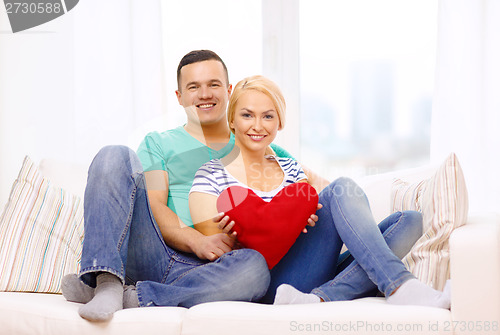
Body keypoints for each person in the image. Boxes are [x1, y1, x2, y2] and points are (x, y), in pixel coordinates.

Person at [61, 50, 319, 322]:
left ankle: (137, 296)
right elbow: (155, 205)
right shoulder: (159, 143)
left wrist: (310, 209)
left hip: (214, 268)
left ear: (229, 90)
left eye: (214, 85)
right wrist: (197, 241)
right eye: (194, 87)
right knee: (113, 154)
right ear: (180, 97)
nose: (205, 94)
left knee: (254, 270)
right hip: (156, 250)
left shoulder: (259, 141)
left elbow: (304, 192)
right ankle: (107, 281)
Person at [188, 75, 451, 308]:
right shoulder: (210, 175)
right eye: (247, 115)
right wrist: (243, 233)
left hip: (314, 267)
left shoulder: (291, 168)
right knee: (339, 189)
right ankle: (400, 285)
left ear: (279, 122)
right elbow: (217, 253)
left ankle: (321, 298)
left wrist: (307, 215)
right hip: (267, 280)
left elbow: (346, 209)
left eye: (268, 116)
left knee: (410, 221)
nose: (258, 125)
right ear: (232, 120)